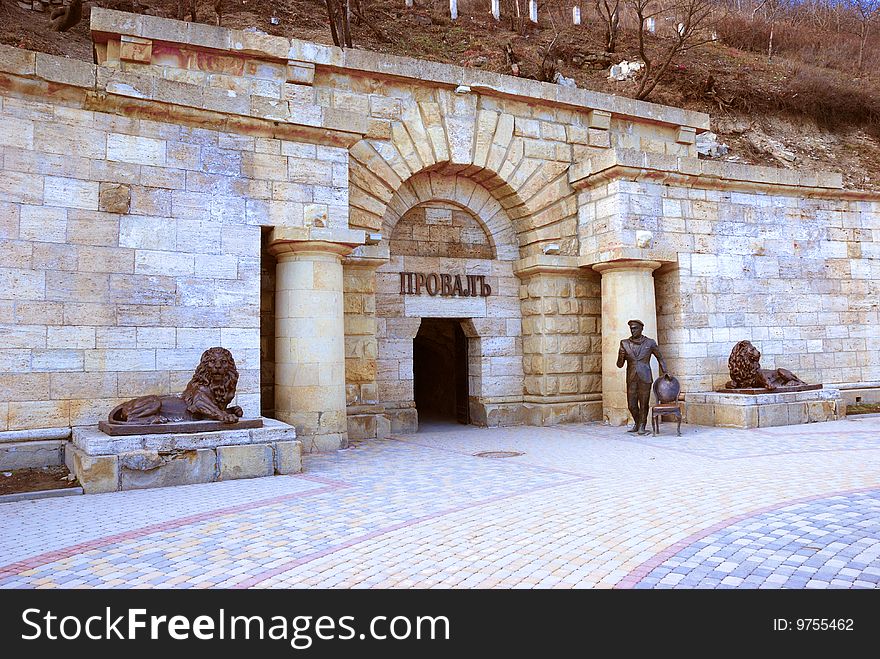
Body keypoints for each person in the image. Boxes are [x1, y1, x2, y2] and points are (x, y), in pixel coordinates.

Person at [617, 319, 668, 435]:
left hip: (645, 377)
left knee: (644, 403)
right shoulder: (624, 343)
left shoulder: (650, 343)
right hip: (631, 378)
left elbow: (660, 357)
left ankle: (642, 426)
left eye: (635, 328)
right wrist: (621, 355)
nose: (632, 330)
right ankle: (637, 422)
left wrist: (665, 371)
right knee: (631, 405)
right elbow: (619, 365)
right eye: (631, 328)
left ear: (641, 329)